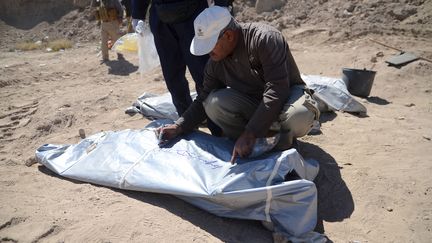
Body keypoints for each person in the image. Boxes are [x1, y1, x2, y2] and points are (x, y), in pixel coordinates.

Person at [159, 6, 320, 163]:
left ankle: (282, 142)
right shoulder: (215, 63)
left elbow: (277, 89)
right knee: (213, 103)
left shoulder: (264, 39)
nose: (209, 52)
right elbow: (203, 99)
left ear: (228, 35)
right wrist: (178, 126)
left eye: (211, 45)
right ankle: (265, 141)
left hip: (287, 97)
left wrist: (251, 132)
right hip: (256, 104)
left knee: (299, 116)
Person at [131, 0, 230, 135]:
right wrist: (138, 13)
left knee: (205, 75)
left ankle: (218, 130)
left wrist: (222, 3)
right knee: (173, 79)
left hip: (194, 15)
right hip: (161, 17)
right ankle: (187, 126)